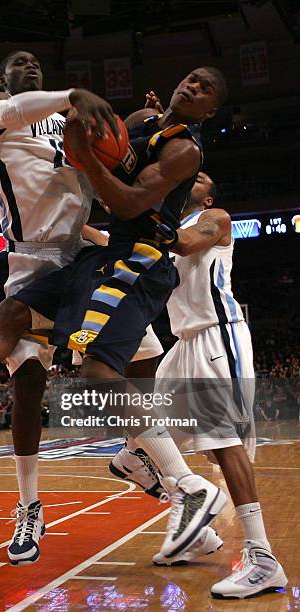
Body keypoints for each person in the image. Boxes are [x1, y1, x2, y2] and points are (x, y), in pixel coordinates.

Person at [0, 66, 229, 563]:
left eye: (204, 88)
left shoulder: (174, 144)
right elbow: (102, 151)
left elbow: (125, 196)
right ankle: (10, 474)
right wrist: (123, 128)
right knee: (25, 336)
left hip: (120, 264)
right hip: (54, 259)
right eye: (189, 78)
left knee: (120, 376)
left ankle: (176, 481)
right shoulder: (19, 114)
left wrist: (90, 154)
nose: (190, 86)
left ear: (209, 109)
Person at [112, 172, 287, 598]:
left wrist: (139, 210)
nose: (194, 176)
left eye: (202, 176)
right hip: (184, 343)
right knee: (141, 428)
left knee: (223, 445)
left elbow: (186, 243)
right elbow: (109, 247)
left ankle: (262, 558)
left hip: (217, 335)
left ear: (208, 195)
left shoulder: (215, 220)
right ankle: (192, 525)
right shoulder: (164, 228)